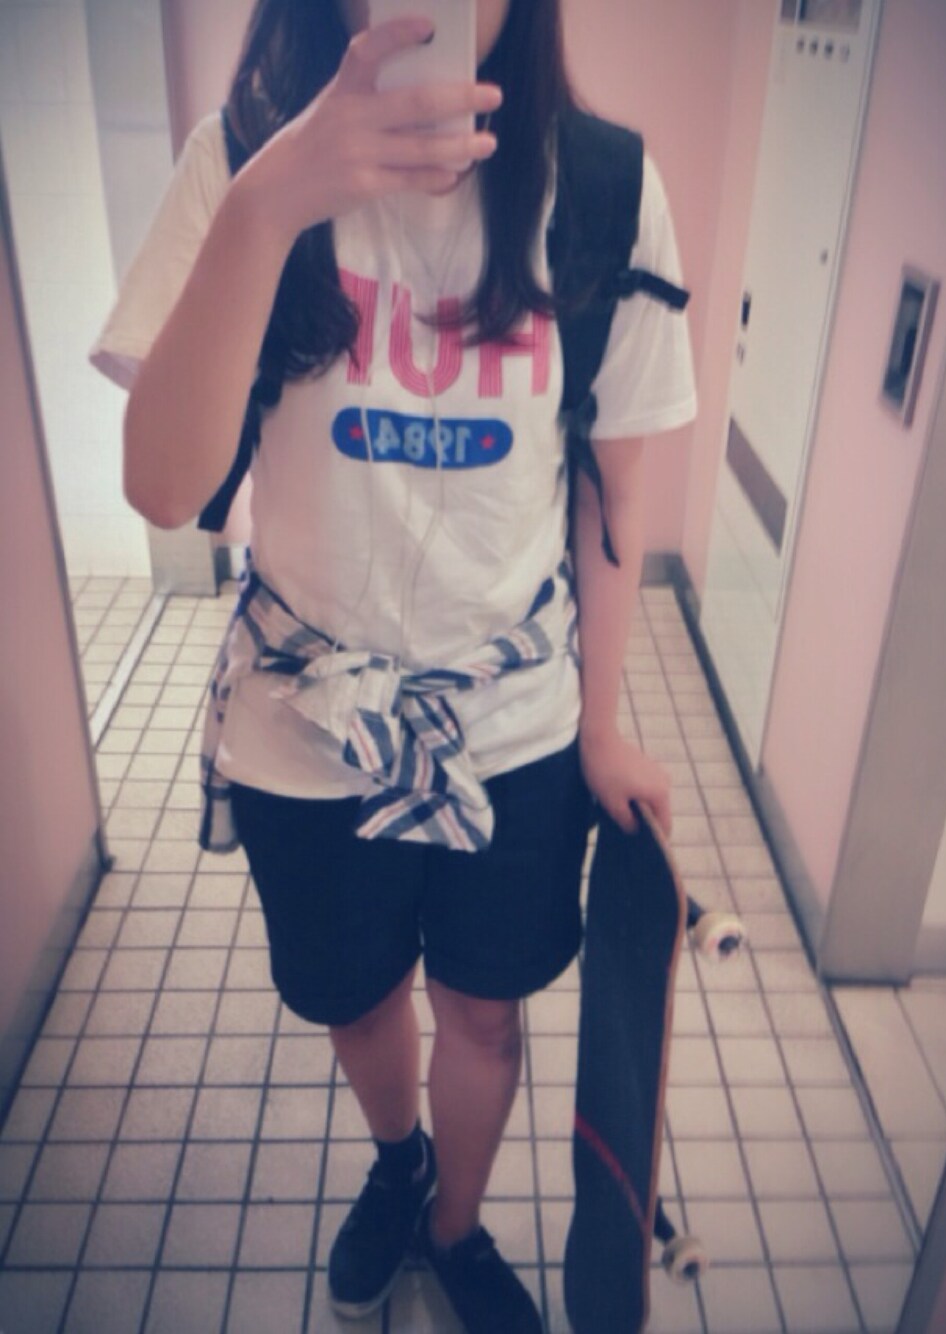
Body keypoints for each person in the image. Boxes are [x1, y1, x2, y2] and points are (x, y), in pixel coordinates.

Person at [91, 1, 696, 1328]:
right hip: (306, 722)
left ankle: (453, 1225)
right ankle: (399, 1160)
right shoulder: (240, 162)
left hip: (516, 722)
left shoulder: (604, 191)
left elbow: (609, 494)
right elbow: (164, 487)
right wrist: (269, 205)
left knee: (482, 1017)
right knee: (360, 1003)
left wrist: (602, 725)